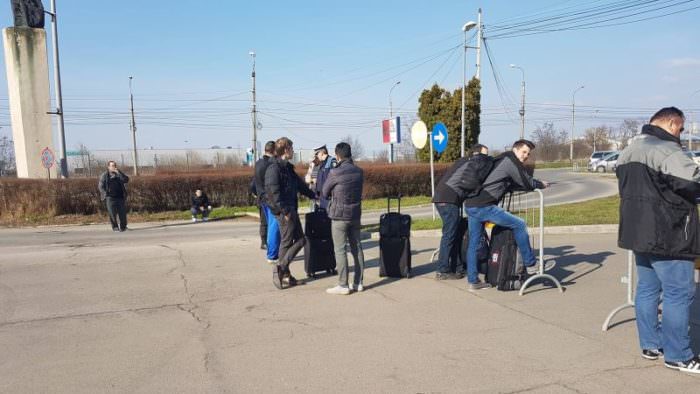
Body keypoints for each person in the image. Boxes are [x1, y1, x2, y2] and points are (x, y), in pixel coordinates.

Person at [616, 107, 700, 374]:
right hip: (669, 232)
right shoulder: (666, 150)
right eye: (682, 128)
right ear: (673, 123)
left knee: (648, 289)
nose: (681, 134)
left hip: (638, 231)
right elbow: (692, 182)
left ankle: (651, 345)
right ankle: (678, 355)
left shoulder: (628, 151)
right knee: (679, 292)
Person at [463, 139, 553, 291]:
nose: (526, 156)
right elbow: (526, 182)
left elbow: (508, 181)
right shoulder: (510, 161)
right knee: (519, 224)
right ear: (515, 149)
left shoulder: (500, 159)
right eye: (524, 152)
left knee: (473, 243)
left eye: (528, 154)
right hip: (484, 205)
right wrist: (540, 184)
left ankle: (473, 281)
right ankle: (531, 264)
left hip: (471, 204)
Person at [265, 137, 316, 289]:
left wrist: (314, 195)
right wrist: (285, 211)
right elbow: (273, 193)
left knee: (299, 240)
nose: (293, 151)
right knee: (291, 241)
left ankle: (285, 274)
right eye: (292, 148)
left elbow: (300, 185)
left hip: (290, 209)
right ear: (286, 150)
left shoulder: (287, 167)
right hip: (284, 211)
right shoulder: (274, 168)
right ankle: (281, 268)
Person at [432, 144, 489, 281]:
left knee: (455, 234)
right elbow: (473, 184)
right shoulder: (473, 162)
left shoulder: (465, 161)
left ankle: (456, 267)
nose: (486, 158)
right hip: (448, 199)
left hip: (446, 198)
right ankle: (442, 270)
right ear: (476, 154)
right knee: (449, 235)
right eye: (484, 155)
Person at [321, 142, 365, 295]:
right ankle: (358, 282)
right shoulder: (359, 172)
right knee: (357, 248)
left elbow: (324, 192)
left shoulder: (335, 172)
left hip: (339, 216)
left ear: (338, 155)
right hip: (355, 215)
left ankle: (343, 285)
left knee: (340, 250)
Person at [251, 141, 280, 263]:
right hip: (270, 199)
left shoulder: (258, 163)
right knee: (274, 226)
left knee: (268, 225)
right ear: (274, 151)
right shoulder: (270, 165)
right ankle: (272, 254)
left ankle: (268, 248)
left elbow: (253, 182)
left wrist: (254, 192)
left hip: (262, 199)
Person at [98, 160, 129, 232]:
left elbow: (126, 180)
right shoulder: (105, 175)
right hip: (110, 198)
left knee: (122, 213)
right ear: (108, 167)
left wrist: (119, 172)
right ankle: (115, 227)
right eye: (112, 166)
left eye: (114, 165)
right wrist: (105, 194)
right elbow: (100, 186)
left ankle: (123, 227)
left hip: (120, 197)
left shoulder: (119, 174)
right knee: (112, 214)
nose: (113, 167)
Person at [312, 145, 337, 210]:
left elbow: (335, 180)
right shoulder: (320, 164)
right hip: (320, 197)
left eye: (317, 154)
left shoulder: (332, 161)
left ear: (322, 152)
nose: (316, 156)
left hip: (328, 197)